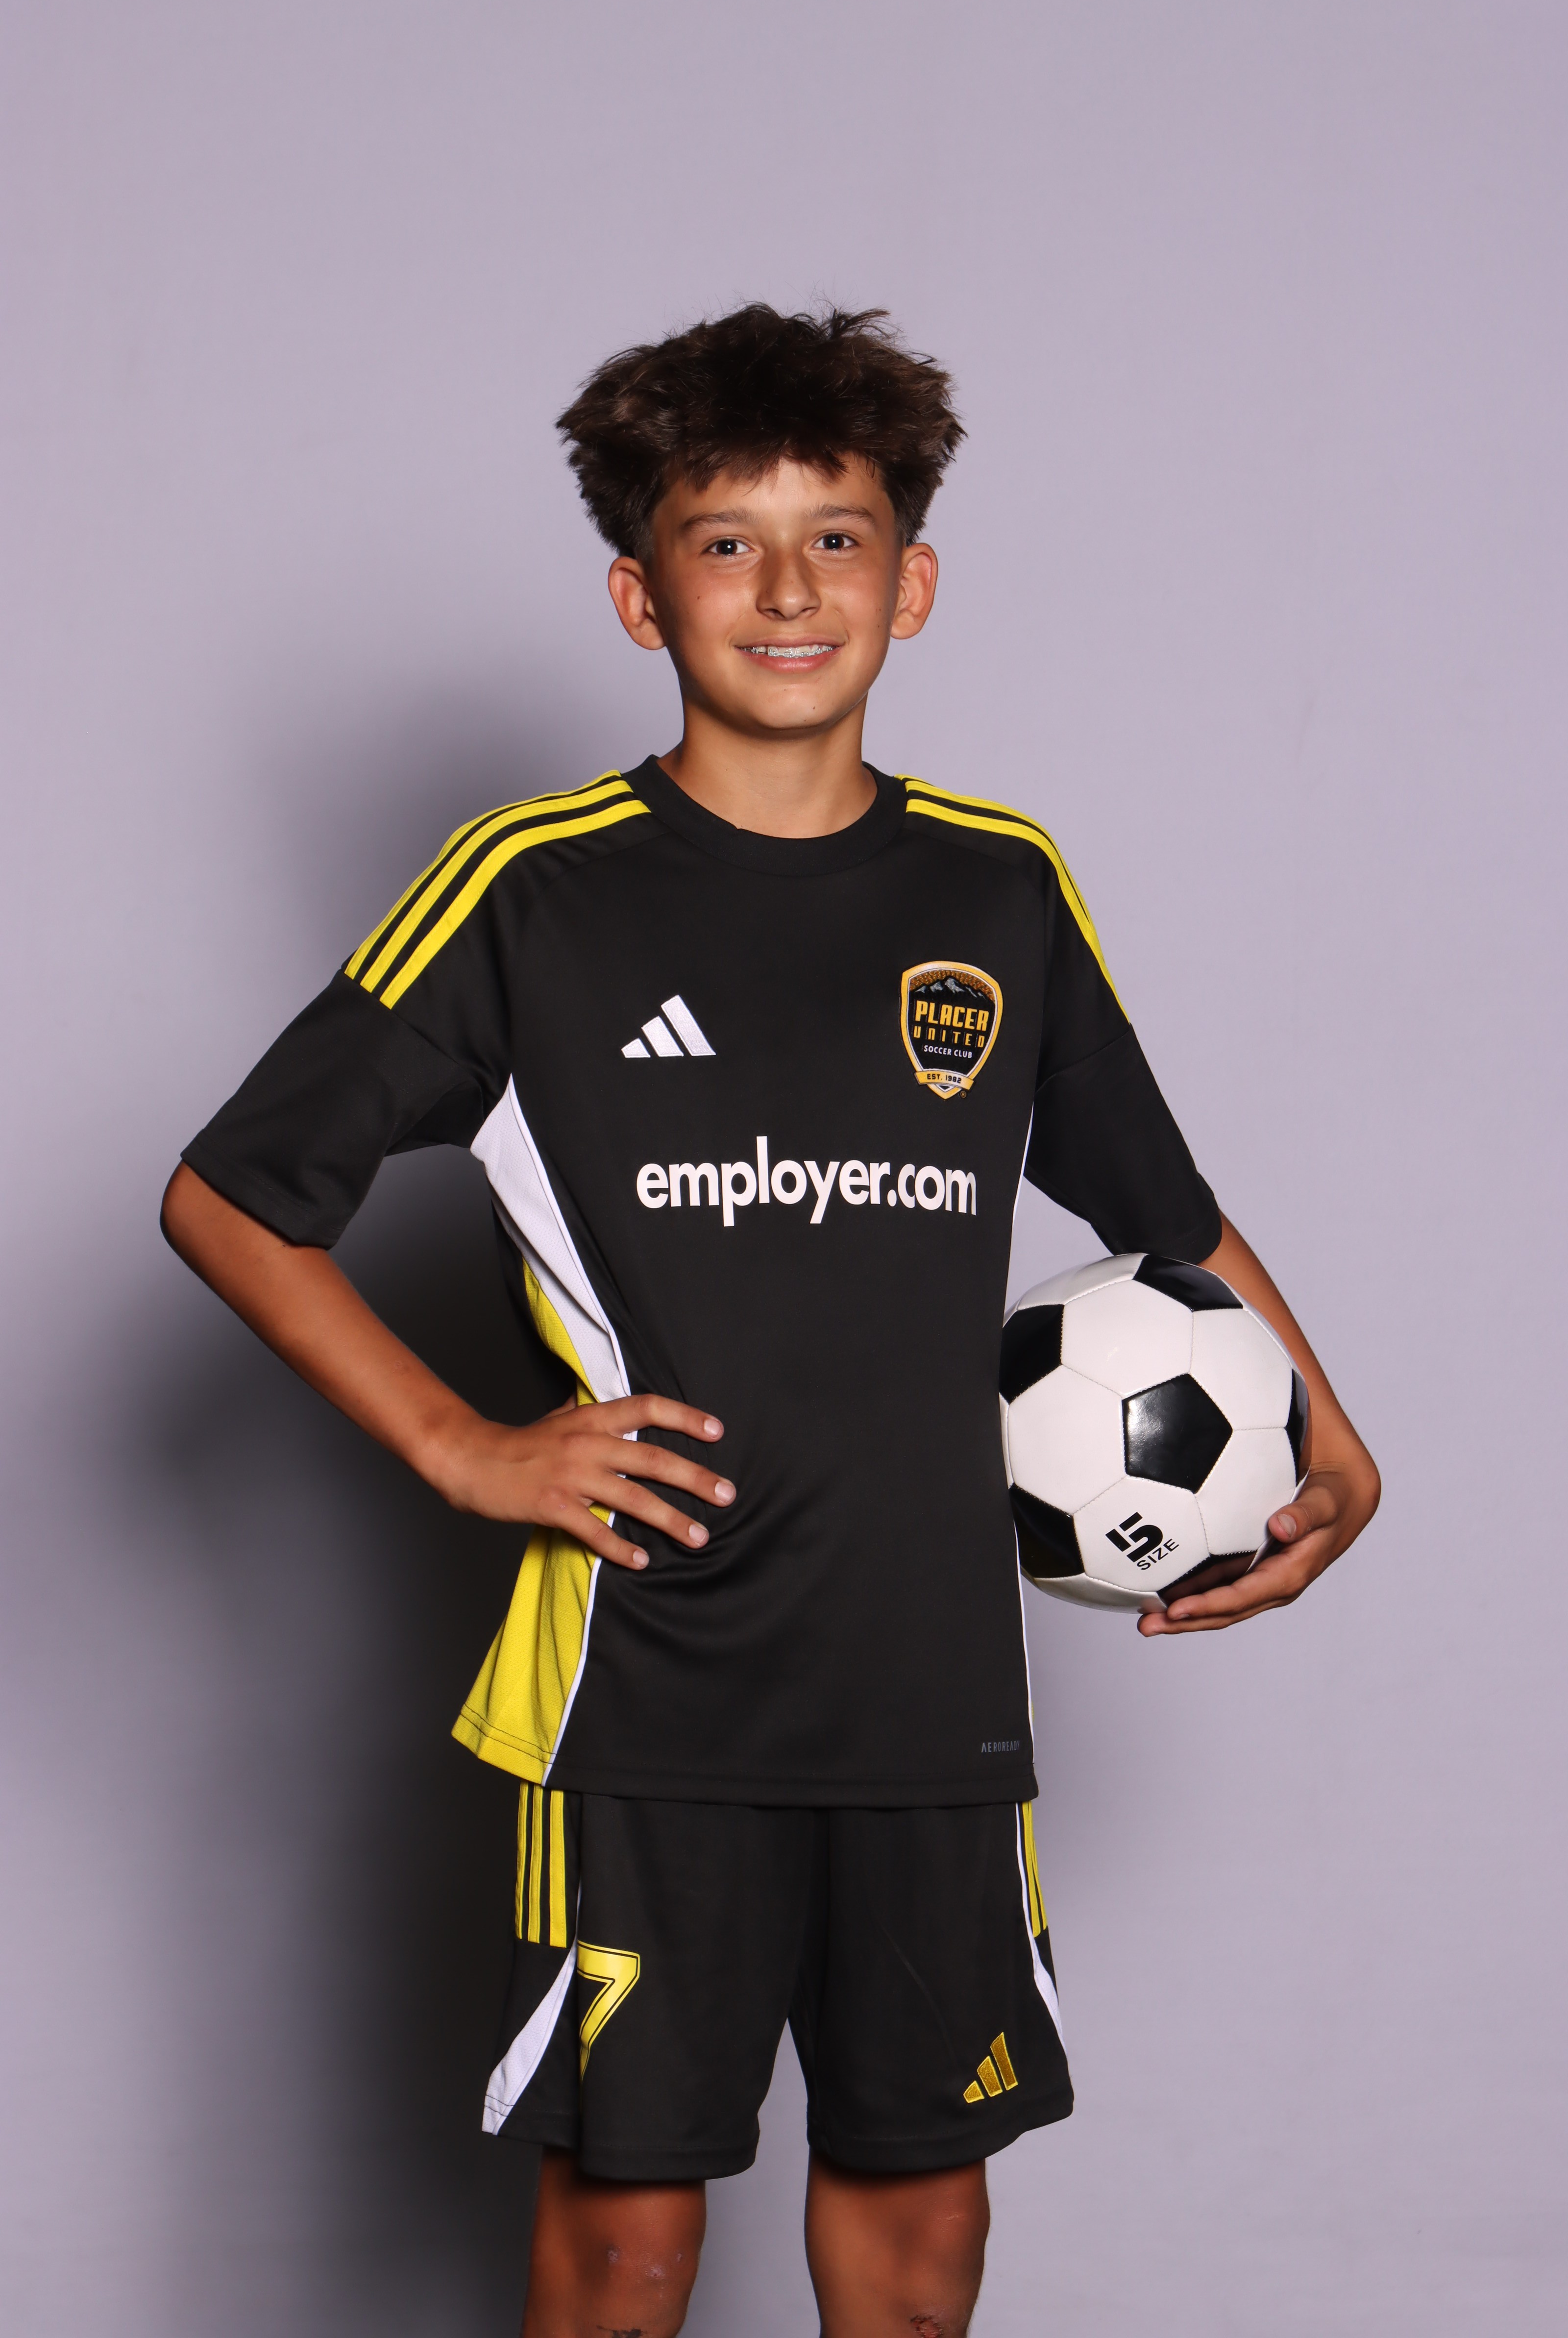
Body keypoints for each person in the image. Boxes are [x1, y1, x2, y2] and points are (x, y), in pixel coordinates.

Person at [162, 304, 1379, 2338]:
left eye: (837, 538)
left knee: (919, 2245)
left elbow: (1162, 1215)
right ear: (640, 599)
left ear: (914, 581)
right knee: (626, 2244)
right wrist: (463, 1448)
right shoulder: (532, 887)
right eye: (726, 543)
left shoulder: (998, 890)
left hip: (931, 1693)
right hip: (647, 1694)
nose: (789, 588)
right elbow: (231, 1196)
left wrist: (1329, 1438)